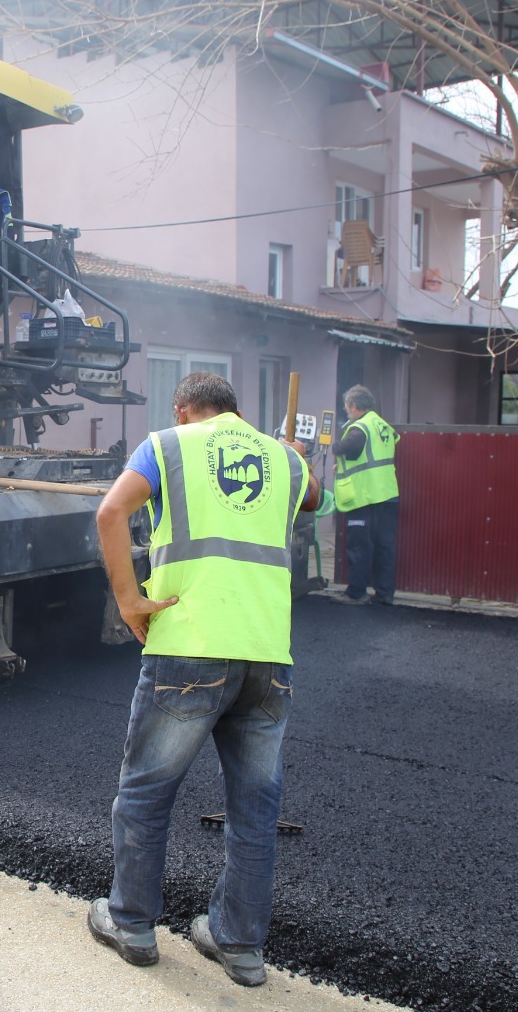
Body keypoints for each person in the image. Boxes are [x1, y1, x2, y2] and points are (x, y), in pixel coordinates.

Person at [89, 372, 320, 988]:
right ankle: (239, 945)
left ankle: (132, 923)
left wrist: (130, 601)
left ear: (184, 410)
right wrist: (292, 458)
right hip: (268, 658)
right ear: (235, 410)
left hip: (189, 651)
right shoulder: (282, 461)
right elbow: (316, 497)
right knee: (255, 809)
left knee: (145, 792)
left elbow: (111, 512)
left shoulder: (168, 444)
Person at [330, 384, 399, 606]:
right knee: (384, 546)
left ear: (354, 405)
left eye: (347, 407)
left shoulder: (360, 427)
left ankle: (356, 593)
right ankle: (384, 593)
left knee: (359, 545)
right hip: (388, 494)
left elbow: (348, 446)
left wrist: (334, 447)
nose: (346, 411)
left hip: (365, 496)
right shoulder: (382, 425)